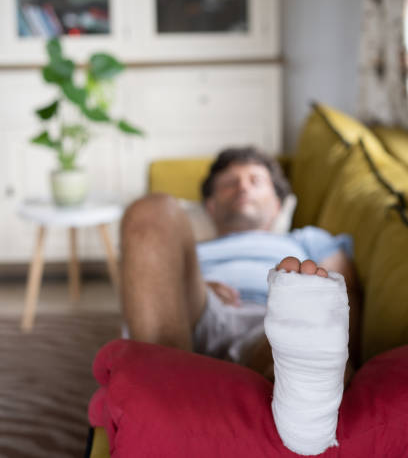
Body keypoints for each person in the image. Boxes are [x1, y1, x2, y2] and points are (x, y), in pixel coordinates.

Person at [120, 146, 360, 454]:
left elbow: (345, 294)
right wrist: (195, 284)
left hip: (272, 321)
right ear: (210, 206)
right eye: (229, 183)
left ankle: (302, 386)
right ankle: (167, 404)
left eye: (255, 181)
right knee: (151, 210)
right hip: (193, 311)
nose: (242, 187)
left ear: (277, 204)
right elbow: (147, 286)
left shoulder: (306, 239)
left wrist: (333, 345)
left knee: (311, 307)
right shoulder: (191, 246)